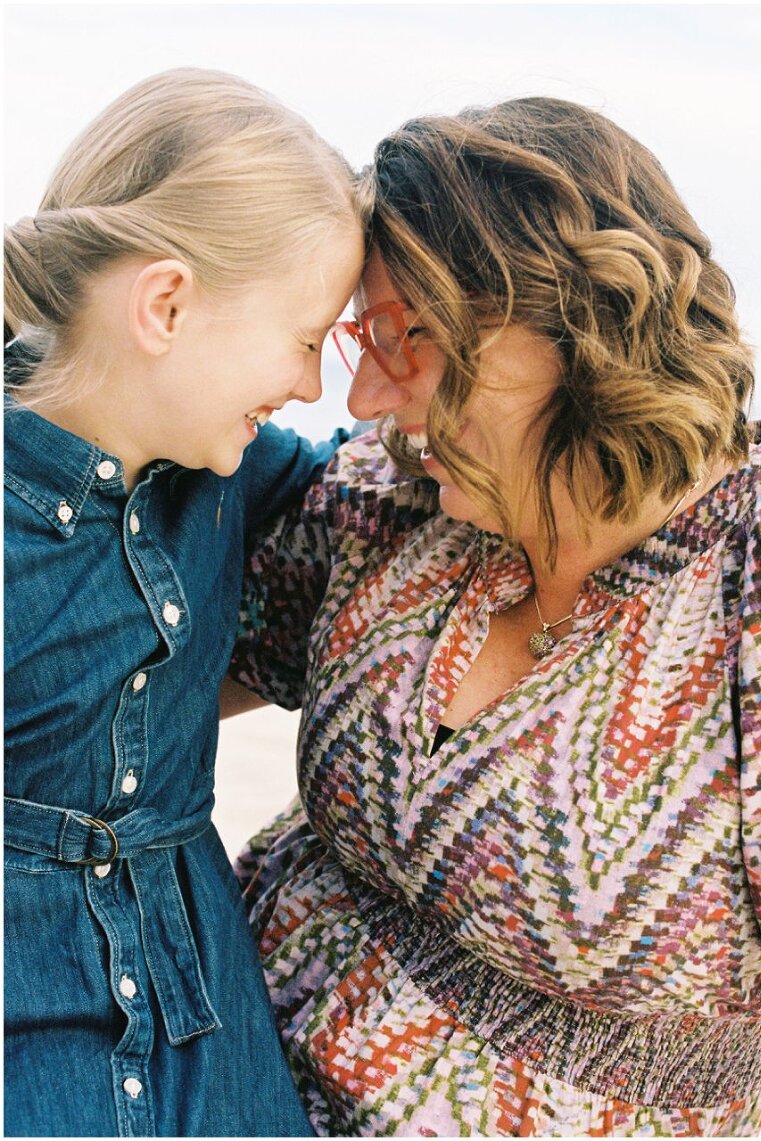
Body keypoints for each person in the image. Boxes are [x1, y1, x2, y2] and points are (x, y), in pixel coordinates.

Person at [230, 97, 761, 1136]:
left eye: (408, 338)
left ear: (574, 321)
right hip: (204, 1072)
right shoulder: (392, 499)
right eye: (359, 337)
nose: (372, 398)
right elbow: (153, 679)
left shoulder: (741, 598)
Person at [4, 67, 363, 1137]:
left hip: (200, 1002)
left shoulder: (230, 473)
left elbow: (377, 481)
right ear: (165, 304)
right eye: (305, 338)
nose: (309, 384)